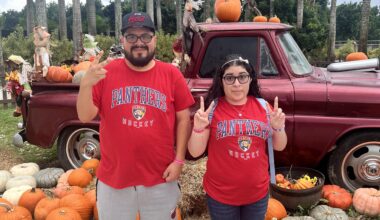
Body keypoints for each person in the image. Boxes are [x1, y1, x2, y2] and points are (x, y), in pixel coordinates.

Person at [76, 11, 195, 220]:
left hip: (161, 178)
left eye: (145, 36)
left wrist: (179, 161)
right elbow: (85, 116)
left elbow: (184, 119)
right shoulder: (106, 73)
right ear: (122, 40)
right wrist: (86, 84)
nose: (139, 42)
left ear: (154, 40)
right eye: (131, 36)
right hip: (114, 180)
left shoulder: (171, 74)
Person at [188, 54, 287, 220]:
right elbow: (195, 151)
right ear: (221, 81)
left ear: (250, 79)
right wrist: (198, 128)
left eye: (242, 77)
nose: (236, 83)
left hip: (257, 194)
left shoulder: (263, 107)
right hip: (221, 196)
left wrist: (278, 127)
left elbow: (280, 146)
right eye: (229, 78)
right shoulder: (212, 110)